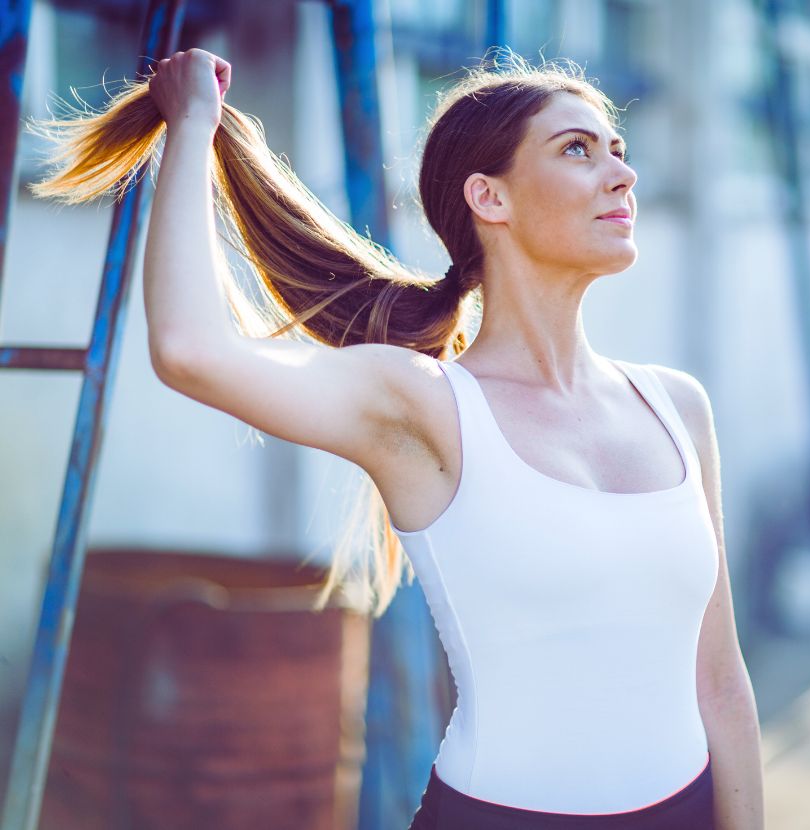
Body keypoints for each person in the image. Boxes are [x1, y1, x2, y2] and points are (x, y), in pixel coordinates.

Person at [28, 45, 764, 828]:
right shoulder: (423, 405)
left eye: (617, 150)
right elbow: (188, 351)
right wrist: (190, 125)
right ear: (490, 197)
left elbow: (719, 680)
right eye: (577, 150)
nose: (623, 174)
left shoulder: (676, 406)